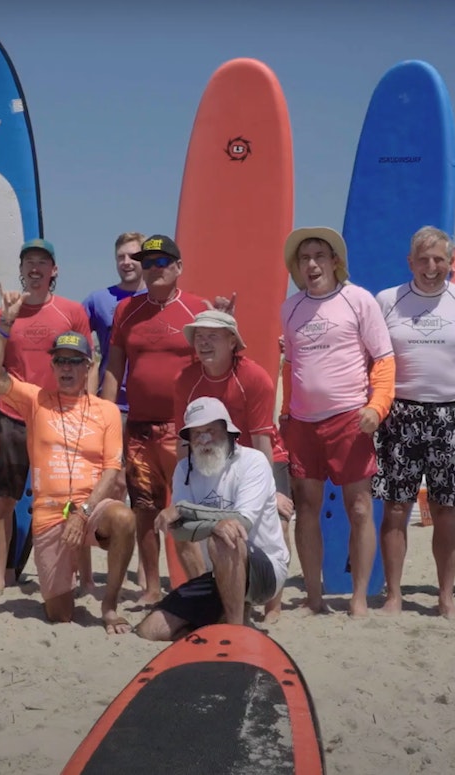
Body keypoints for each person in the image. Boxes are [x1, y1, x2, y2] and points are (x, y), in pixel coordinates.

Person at [375, 226, 455, 618]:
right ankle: (394, 595)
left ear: (450, 263)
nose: (431, 267)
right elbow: (370, 359)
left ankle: (445, 597)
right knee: (396, 508)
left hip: (453, 413)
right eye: (423, 260)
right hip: (400, 412)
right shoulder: (387, 301)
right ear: (410, 262)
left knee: (446, 509)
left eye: (439, 260)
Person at [0, 301, 135, 632]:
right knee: (60, 614)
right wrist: (4, 325)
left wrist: (82, 514)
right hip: (50, 514)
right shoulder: (36, 400)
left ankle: (109, 605)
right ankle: (64, 575)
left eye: (75, 361)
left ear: (88, 365)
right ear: (52, 365)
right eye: (60, 361)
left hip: (91, 509)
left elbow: (111, 470)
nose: (67, 368)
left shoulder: (105, 411)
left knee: (124, 518)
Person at [279, 228, 396, 617]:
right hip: (303, 423)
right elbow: (291, 365)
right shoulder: (291, 308)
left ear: (334, 262)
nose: (311, 264)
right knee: (306, 507)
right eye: (304, 258)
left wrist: (377, 407)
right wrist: (286, 413)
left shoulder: (358, 299)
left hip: (350, 418)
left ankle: (358, 598)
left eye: (319, 256)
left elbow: (383, 359)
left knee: (360, 507)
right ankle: (314, 597)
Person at [99, 235, 209, 603]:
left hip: (183, 433)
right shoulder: (126, 310)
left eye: (162, 262)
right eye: (148, 264)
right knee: (145, 511)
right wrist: (106, 417)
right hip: (139, 429)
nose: (153, 269)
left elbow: (217, 365)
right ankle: (150, 587)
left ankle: (199, 586)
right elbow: (114, 367)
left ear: (178, 267)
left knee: (187, 512)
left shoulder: (197, 309)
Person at [0, 239, 92, 593]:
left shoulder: (71, 311)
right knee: (3, 502)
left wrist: (88, 412)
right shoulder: (1, 315)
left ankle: (77, 575)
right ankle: (0, 578)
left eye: (43, 261)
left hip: (60, 416)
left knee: (69, 501)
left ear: (53, 270)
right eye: (29, 261)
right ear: (21, 268)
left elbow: (88, 363)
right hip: (10, 415)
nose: (35, 267)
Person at [173, 309, 294, 620]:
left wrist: (272, 490)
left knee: (278, 516)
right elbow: (183, 441)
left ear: (232, 341)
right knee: (181, 523)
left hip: (259, 454)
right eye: (199, 337)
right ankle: (209, 596)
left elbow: (261, 438)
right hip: (209, 456)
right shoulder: (186, 379)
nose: (203, 343)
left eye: (212, 336)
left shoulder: (254, 377)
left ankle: (274, 603)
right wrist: (183, 482)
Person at [136, 398, 289, 640]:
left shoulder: (253, 462)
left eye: (210, 431)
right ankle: (217, 625)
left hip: (265, 573)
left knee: (224, 536)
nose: (203, 439)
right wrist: (196, 520)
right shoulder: (184, 470)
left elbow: (242, 524)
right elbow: (178, 531)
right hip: (217, 574)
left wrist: (187, 511)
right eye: (196, 433)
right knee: (150, 631)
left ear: (227, 431)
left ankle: (235, 635)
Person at [83, 231, 148, 412]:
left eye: (133, 256)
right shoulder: (98, 300)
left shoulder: (159, 299)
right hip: (110, 403)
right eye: (120, 257)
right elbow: (71, 337)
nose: (126, 262)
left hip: (149, 405)